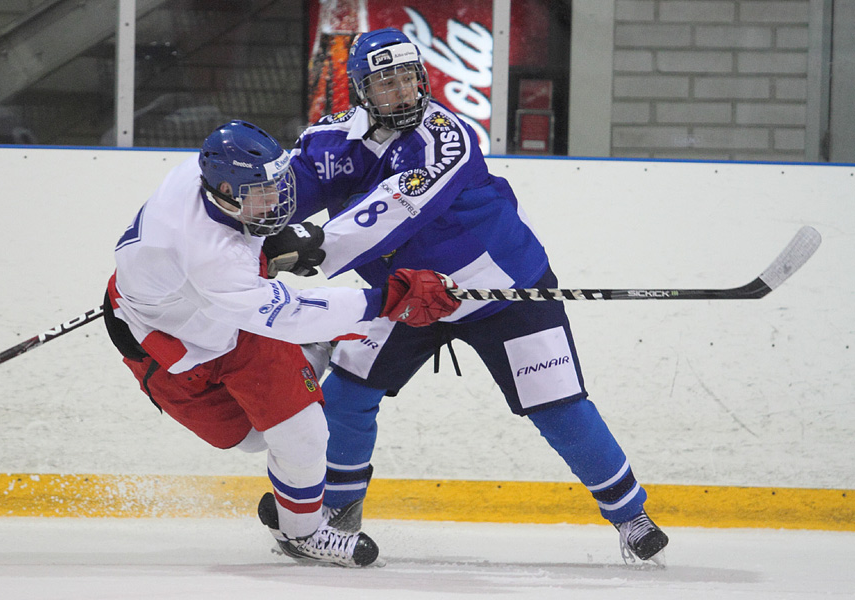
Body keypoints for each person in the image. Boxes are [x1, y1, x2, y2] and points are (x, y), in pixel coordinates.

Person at [276, 28, 670, 565]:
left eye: (408, 78)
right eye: (384, 82)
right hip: (405, 297)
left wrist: (314, 246)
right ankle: (340, 517)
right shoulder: (332, 141)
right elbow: (287, 194)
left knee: (558, 406)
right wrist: (253, 233)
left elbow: (396, 205)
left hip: (505, 293)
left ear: (423, 79)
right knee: (347, 395)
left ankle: (632, 517)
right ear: (361, 90)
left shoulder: (448, 136)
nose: (401, 91)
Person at [103, 120, 461, 568]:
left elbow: (246, 279)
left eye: (275, 184)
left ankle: (303, 534)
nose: (274, 200)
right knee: (250, 439)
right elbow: (283, 312)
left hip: (225, 323)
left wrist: (270, 245)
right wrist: (386, 299)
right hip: (168, 344)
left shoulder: (199, 182)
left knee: (302, 432)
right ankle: (318, 348)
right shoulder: (210, 256)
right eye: (260, 192)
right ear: (227, 191)